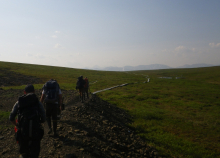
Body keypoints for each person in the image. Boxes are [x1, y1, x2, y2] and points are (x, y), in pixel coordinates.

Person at [9, 84, 46, 158]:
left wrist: (17, 125)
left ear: (24, 92)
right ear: (34, 91)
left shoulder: (19, 102)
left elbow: (11, 117)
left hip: (22, 132)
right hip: (35, 131)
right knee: (35, 153)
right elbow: (44, 118)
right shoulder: (38, 103)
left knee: (23, 153)